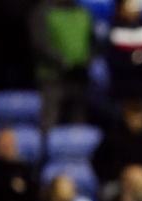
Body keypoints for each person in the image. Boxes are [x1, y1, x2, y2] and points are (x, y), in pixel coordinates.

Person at [29, 0, 92, 129]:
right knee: (50, 122)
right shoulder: (42, 11)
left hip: (78, 77)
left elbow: (92, 41)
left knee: (78, 126)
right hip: (52, 77)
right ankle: (45, 149)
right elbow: (40, 44)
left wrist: (86, 60)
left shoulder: (82, 11)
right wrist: (63, 62)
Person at [93, 100, 142, 184]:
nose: (136, 119)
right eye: (133, 115)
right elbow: (99, 163)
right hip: (118, 182)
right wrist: (123, 174)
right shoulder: (113, 136)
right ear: (126, 116)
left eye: (140, 115)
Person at [103, 0, 142, 101]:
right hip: (122, 77)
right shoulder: (114, 29)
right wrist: (130, 60)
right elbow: (111, 56)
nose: (133, 10)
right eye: (129, 6)